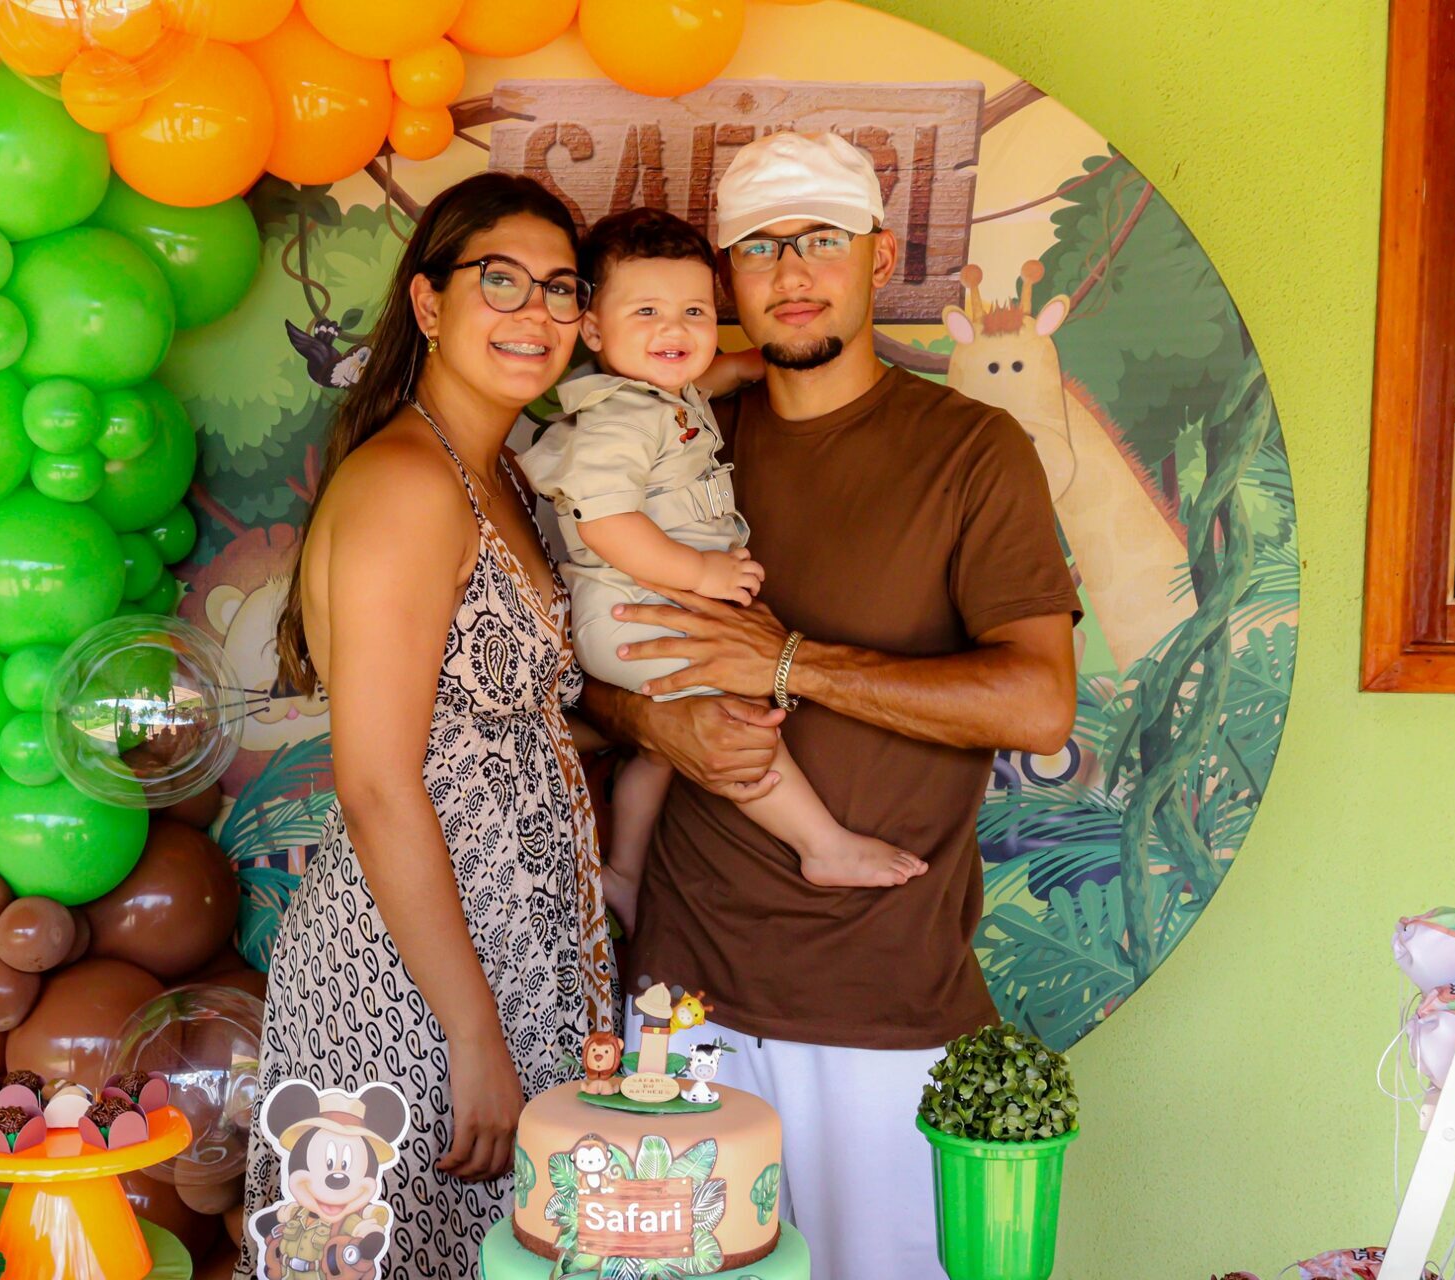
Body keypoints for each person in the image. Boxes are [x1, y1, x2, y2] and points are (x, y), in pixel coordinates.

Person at [577, 130, 1082, 1279]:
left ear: (880, 256)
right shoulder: (677, 433)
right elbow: (576, 660)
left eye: (820, 240)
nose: (792, 271)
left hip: (881, 1002)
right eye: (760, 248)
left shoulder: (971, 450)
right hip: (682, 1002)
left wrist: (791, 663)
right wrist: (655, 722)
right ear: (727, 277)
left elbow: (1039, 704)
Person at [238, 172, 616, 1280]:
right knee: (380, 1254)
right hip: (407, 984)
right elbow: (376, 784)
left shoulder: (501, 477)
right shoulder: (409, 482)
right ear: (429, 302)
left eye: (561, 287)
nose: (536, 311)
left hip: (508, 954)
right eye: (501, 280)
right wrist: (472, 1032)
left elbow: (505, 726)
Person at [519, 207, 927, 932]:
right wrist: (701, 575)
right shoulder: (617, 420)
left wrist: (761, 361)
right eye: (646, 312)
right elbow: (605, 522)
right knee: (735, 715)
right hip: (632, 610)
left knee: (661, 752)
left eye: (695, 312)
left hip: (652, 604)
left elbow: (719, 372)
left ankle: (624, 870)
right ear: (594, 330)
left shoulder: (666, 393)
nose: (673, 330)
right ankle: (820, 843)